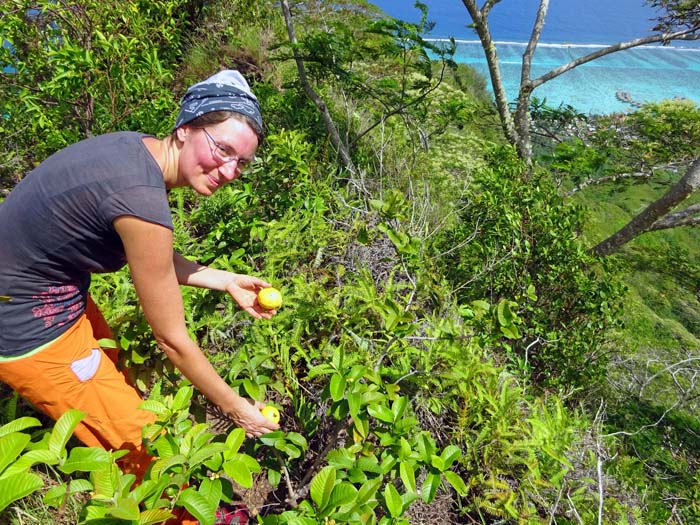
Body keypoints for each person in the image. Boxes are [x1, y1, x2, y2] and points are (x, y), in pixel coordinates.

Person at [0, 70, 280, 486]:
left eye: (242, 162)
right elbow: (173, 340)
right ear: (186, 127)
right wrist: (236, 408)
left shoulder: (135, 150)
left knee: (115, 384)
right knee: (150, 452)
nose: (229, 169)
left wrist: (225, 280)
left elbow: (155, 259)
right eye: (222, 149)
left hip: (52, 294)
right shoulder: (140, 196)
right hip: (28, 327)